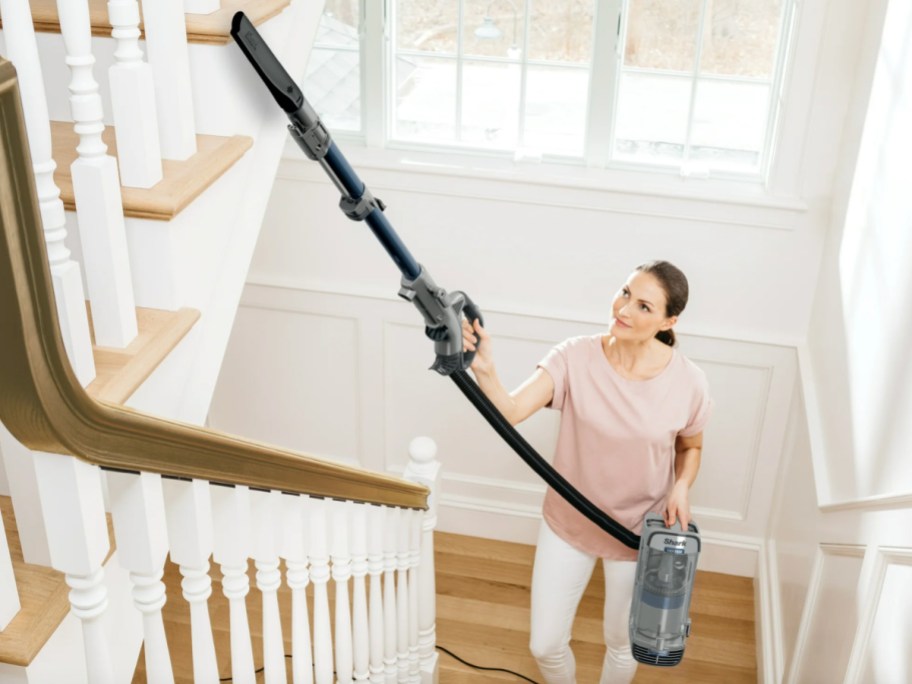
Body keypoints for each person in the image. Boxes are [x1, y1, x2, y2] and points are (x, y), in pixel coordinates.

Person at [461, 260, 712, 684]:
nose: (625, 308)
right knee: (544, 643)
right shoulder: (574, 356)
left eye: (645, 306)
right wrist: (484, 366)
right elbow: (511, 411)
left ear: (669, 320)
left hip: (638, 533)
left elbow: (691, 446)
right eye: (625, 292)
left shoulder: (689, 382)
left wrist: (682, 486)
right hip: (569, 521)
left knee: (621, 640)